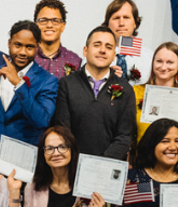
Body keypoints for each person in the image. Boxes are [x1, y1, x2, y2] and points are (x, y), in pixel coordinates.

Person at [51, 26, 136, 160]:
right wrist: (77, 162)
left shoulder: (126, 90)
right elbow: (63, 130)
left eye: (108, 47)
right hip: (73, 165)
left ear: (114, 55)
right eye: (97, 45)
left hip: (109, 167)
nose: (102, 50)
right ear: (85, 51)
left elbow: (125, 136)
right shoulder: (66, 84)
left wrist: (100, 164)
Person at [0, 21, 57, 152]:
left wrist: (19, 84)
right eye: (18, 45)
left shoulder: (48, 81)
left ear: (37, 47)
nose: (23, 52)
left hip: (25, 155)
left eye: (29, 47)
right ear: (9, 43)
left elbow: (42, 121)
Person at [133, 42, 178, 143]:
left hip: (171, 154)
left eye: (170, 62)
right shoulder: (136, 91)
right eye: (159, 61)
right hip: (140, 155)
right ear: (153, 63)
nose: (163, 67)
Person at [100, 0, 152, 85]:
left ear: (135, 23)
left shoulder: (150, 58)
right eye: (116, 18)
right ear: (107, 23)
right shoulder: (95, 56)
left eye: (126, 17)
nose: (121, 23)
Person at [32, 0, 82, 79]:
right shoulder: (26, 58)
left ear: (63, 26)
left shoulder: (75, 60)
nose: (49, 25)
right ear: (35, 25)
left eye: (55, 21)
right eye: (43, 21)